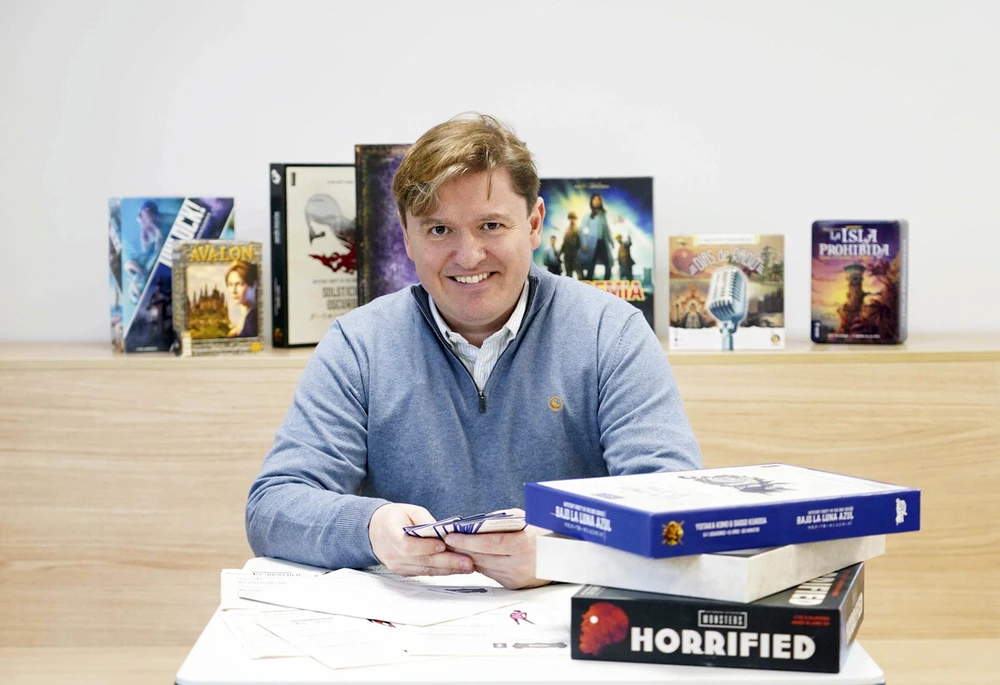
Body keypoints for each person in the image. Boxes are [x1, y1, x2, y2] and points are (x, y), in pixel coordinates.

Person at [245, 113, 701, 590]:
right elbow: (273, 507)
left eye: (490, 225)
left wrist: (563, 551)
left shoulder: (611, 332)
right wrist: (372, 529)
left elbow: (675, 506)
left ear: (534, 224)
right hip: (405, 623)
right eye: (439, 230)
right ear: (406, 236)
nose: (468, 256)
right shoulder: (358, 344)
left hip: (571, 618)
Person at [582, 193, 613, 280]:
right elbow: (582, 229)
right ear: (591, 202)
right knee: (591, 263)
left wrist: (611, 241)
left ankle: (607, 280)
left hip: (603, 242)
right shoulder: (588, 215)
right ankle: (588, 280)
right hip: (593, 242)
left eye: (598, 200)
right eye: (594, 199)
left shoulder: (603, 215)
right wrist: (584, 243)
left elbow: (606, 229)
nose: (596, 201)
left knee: (608, 262)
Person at [225, 259, 258, 337]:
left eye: (240, 284)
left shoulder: (252, 319)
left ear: (253, 285)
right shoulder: (244, 319)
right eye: (230, 284)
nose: (233, 291)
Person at [559, 212, 581, 279]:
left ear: (575, 219)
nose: (572, 220)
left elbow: (579, 243)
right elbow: (564, 243)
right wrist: (560, 253)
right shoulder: (567, 230)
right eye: (571, 218)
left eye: (573, 218)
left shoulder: (578, 230)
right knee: (568, 275)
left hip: (575, 256)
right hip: (567, 256)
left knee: (579, 273)